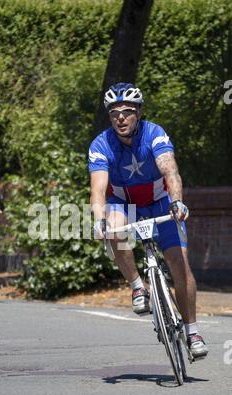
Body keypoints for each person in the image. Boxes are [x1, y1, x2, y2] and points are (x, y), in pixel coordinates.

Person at [88, 82, 208, 359]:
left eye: (127, 111)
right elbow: (97, 189)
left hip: (159, 202)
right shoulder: (100, 144)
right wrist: (99, 220)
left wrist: (177, 201)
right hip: (123, 202)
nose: (120, 117)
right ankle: (137, 286)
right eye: (114, 112)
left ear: (139, 112)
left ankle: (192, 330)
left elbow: (171, 171)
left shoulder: (155, 133)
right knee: (114, 230)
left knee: (180, 265)